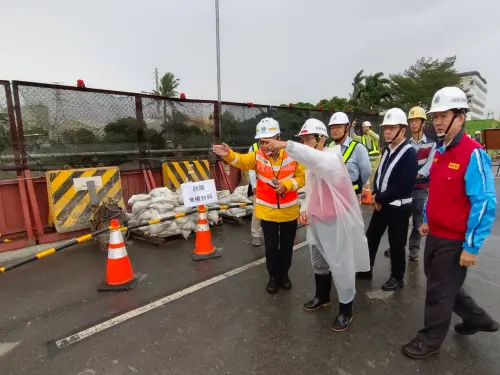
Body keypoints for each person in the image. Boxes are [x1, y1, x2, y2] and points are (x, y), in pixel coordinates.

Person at [402, 87, 498, 360]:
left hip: (455, 241)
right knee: (444, 285)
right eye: (436, 117)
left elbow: (484, 203)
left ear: (461, 116)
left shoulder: (473, 153)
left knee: (438, 291)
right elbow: (439, 192)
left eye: (444, 116)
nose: (438, 122)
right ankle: (478, 319)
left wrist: (472, 246)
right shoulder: (442, 151)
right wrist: (429, 220)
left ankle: (429, 340)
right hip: (436, 235)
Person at [259, 118, 370, 332]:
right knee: (319, 261)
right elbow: (310, 190)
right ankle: (322, 297)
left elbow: (316, 160)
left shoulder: (332, 157)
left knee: (341, 265)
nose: (305, 142)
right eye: (302, 139)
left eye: (308, 139)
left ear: (321, 139)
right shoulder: (312, 165)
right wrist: (304, 210)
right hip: (318, 220)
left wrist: (286, 145)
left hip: (336, 223)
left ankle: (346, 310)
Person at [212, 118, 306, 294]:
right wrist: (228, 154)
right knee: (271, 247)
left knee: (286, 247)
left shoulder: (293, 155)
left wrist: (286, 185)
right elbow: (241, 160)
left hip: (289, 211)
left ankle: (284, 274)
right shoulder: (257, 156)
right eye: (261, 142)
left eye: (268, 141)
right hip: (267, 211)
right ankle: (273, 276)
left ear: (278, 138)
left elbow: (301, 179)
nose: (265, 146)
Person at [357, 108, 418, 291]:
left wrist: (378, 197)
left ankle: (397, 277)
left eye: (392, 128)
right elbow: (380, 174)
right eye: (386, 128)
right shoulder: (387, 149)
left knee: (396, 244)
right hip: (382, 204)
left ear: (402, 130)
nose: (388, 132)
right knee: (371, 237)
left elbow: (404, 185)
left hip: (398, 208)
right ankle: (366, 270)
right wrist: (376, 192)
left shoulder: (409, 153)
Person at [384, 106, 435, 261]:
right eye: (411, 121)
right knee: (400, 220)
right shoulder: (405, 144)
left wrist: (410, 175)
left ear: (423, 123)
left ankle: (414, 248)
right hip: (405, 189)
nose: (413, 124)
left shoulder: (432, 145)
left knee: (418, 221)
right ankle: (397, 247)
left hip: (421, 189)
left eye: (417, 120)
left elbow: (428, 167)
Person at [328, 112, 371, 203]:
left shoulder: (358, 148)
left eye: (338, 127)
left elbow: (366, 172)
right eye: (332, 128)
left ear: (347, 128)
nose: (334, 130)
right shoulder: (329, 147)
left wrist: (357, 186)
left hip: (352, 198)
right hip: (332, 197)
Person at [351, 120, 381, 188]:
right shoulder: (362, 138)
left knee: (374, 183)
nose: (364, 128)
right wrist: (352, 128)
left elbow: (377, 137)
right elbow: (353, 136)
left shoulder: (374, 137)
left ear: (370, 127)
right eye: (364, 127)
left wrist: (368, 131)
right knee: (366, 185)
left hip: (375, 162)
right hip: (366, 162)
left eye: (366, 127)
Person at [247, 141, 262, 246]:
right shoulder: (254, 147)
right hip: (259, 183)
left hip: (275, 184)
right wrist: (254, 185)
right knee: (257, 210)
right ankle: (256, 235)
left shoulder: (279, 146)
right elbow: (251, 168)